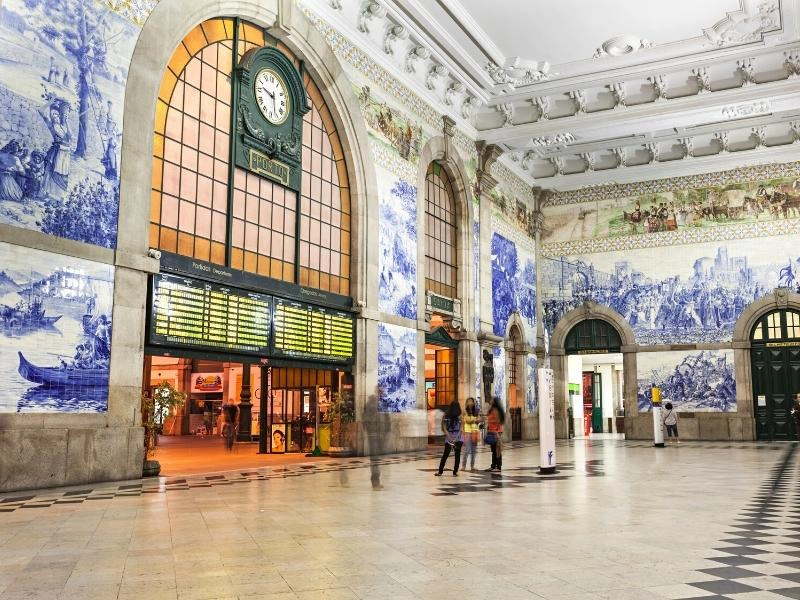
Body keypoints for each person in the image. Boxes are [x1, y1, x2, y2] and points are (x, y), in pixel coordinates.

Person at [435, 399, 463, 477]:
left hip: (449, 436)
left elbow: (444, 427)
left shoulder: (446, 414)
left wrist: (449, 436)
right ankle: (455, 472)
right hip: (458, 437)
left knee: (445, 455)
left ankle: (440, 472)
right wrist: (456, 437)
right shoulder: (460, 415)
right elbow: (461, 428)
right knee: (457, 455)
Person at [485, 396, 505, 471]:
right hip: (492, 430)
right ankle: (493, 466)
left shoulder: (496, 410)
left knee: (497, 449)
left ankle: (498, 466)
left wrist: (489, 421)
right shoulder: (492, 409)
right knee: (493, 450)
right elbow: (488, 416)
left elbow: (497, 421)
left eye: (492, 400)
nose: (490, 400)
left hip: (496, 431)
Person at [461, 397, 480, 472]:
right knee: (467, 449)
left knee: (474, 450)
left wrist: (476, 420)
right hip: (467, 432)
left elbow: (478, 420)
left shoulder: (476, 411)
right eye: (468, 401)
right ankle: (463, 465)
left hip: (475, 431)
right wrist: (474, 420)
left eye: (471, 401)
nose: (470, 403)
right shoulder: (464, 411)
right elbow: (466, 421)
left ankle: (472, 466)